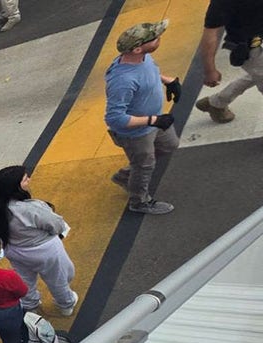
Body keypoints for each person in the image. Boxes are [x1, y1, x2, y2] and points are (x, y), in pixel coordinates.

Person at [104, 20, 182, 216]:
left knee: (169, 145)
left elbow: (150, 70)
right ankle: (139, 201)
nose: (158, 39)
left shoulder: (141, 58)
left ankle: (126, 176)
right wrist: (153, 121)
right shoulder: (122, 80)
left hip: (155, 122)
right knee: (145, 165)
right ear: (137, 49)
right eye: (154, 38)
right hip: (136, 133)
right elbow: (115, 118)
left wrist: (168, 80)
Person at [0, 166, 78, 316]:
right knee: (58, 278)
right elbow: (57, 225)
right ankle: (66, 304)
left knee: (25, 280)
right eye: (25, 179)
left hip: (14, 250)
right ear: (16, 186)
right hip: (45, 251)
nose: (29, 180)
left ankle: (30, 305)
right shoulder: (31, 208)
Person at [196, 0, 263, 124]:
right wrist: (209, 70)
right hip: (253, 48)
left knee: (257, 75)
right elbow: (210, 33)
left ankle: (217, 102)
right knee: (259, 73)